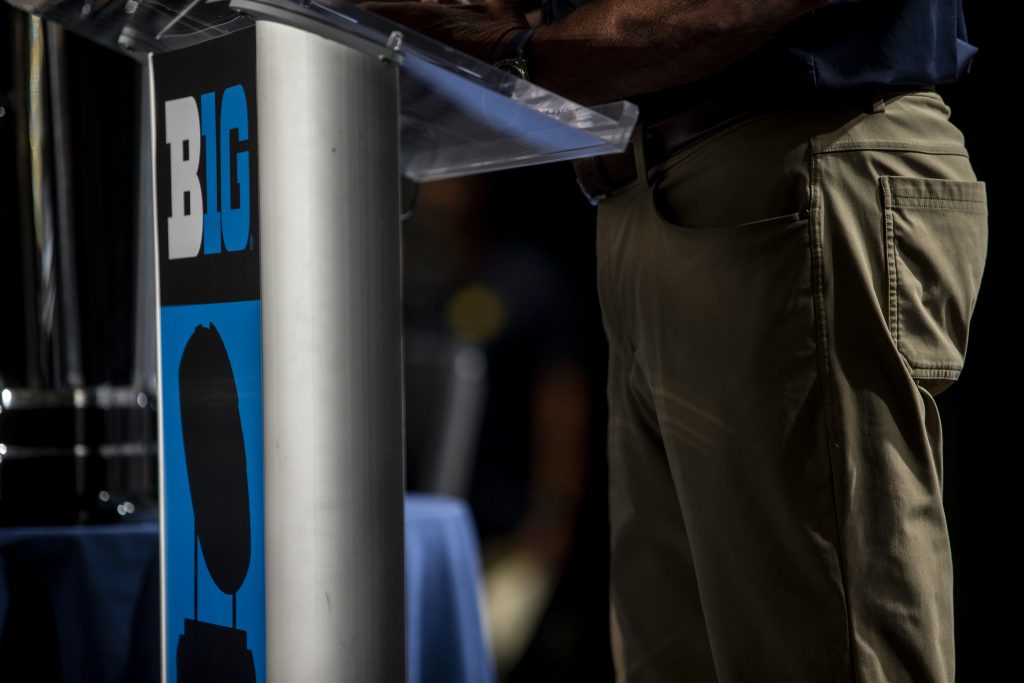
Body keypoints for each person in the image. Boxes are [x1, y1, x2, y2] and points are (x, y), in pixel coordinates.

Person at [360, 1, 989, 680]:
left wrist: (531, 55)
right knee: (670, 656)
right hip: (641, 187)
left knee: (827, 652)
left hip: (792, 153)